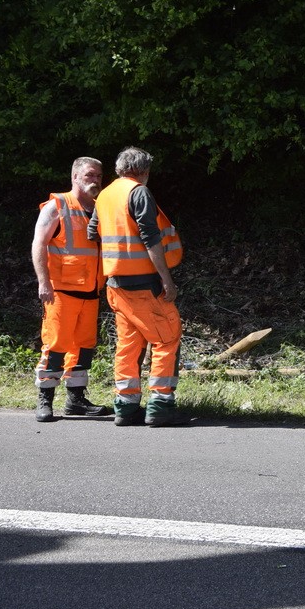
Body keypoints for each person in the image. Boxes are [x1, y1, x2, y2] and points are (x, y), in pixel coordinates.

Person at [88, 146, 187, 427]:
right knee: (167, 338)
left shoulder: (105, 194)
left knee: (129, 345)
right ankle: (160, 405)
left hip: (116, 285)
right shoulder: (138, 192)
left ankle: (126, 407)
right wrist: (166, 279)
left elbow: (92, 232)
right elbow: (150, 238)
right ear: (143, 171)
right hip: (143, 283)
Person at [31, 157, 112, 422]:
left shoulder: (101, 208)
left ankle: (76, 401)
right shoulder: (58, 205)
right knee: (55, 346)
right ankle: (45, 399)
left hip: (91, 291)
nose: (96, 180)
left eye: (99, 176)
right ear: (75, 177)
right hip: (61, 292)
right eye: (90, 175)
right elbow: (38, 244)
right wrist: (43, 282)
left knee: (84, 347)